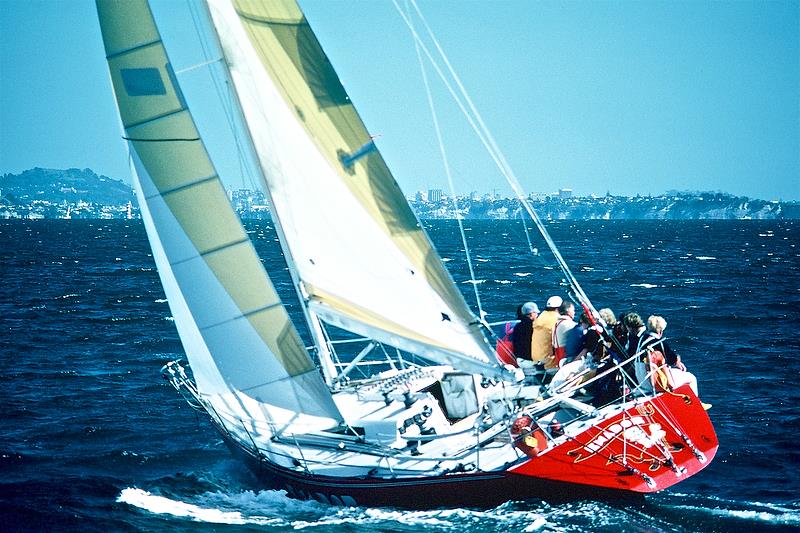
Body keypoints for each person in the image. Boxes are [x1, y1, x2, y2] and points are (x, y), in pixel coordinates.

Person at [636, 315, 699, 395]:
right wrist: (678, 362)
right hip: (653, 382)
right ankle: (695, 404)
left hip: (641, 379)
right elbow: (672, 360)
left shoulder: (641, 338)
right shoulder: (659, 343)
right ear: (660, 331)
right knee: (691, 377)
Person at [531, 296, 562, 369]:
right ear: (558, 308)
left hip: (535, 359)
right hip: (548, 362)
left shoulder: (541, 316)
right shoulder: (556, 319)